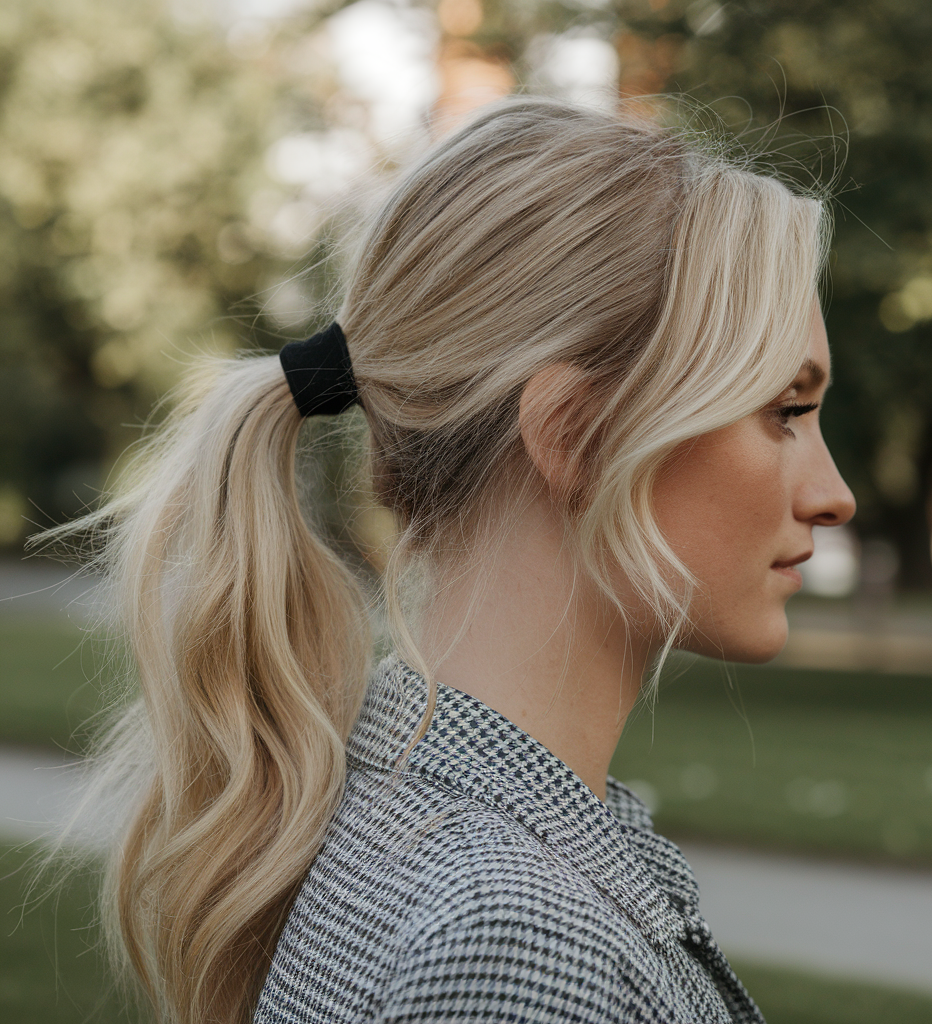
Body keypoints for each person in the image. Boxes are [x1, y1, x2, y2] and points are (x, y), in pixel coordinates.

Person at [46, 97, 855, 1024]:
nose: (835, 494)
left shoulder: (392, 808)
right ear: (577, 436)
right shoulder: (518, 936)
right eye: (784, 412)